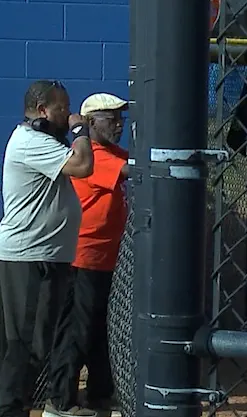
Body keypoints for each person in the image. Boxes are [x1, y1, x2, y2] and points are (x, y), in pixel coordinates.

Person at [0, 80, 94, 417]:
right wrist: (82, 130)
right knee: (24, 344)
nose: (68, 114)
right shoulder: (31, 142)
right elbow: (84, 166)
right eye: (62, 108)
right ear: (42, 112)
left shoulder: (43, 143)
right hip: (30, 258)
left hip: (45, 257)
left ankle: (14, 405)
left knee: (32, 345)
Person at [45, 93, 130, 417]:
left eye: (121, 119)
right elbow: (131, 172)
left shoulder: (110, 151)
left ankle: (99, 396)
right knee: (75, 332)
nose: (119, 125)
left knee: (98, 330)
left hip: (105, 259)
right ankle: (60, 402)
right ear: (91, 123)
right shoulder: (94, 155)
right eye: (111, 119)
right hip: (84, 259)